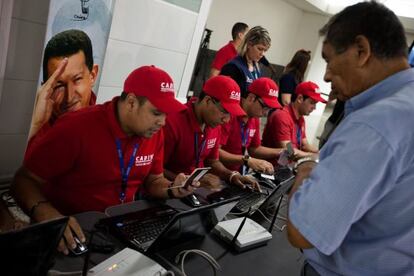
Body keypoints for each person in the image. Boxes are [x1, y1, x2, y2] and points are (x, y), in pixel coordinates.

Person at [11, 66, 196, 255]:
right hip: (70, 234)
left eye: (166, 114)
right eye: (157, 113)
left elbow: (154, 181)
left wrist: (174, 188)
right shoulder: (75, 128)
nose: (163, 122)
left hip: (120, 231)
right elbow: (23, 180)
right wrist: (46, 214)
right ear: (131, 102)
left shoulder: (154, 134)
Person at [287, 2, 414, 275]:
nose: (327, 74)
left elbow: (302, 232)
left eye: (329, 59)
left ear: (361, 51)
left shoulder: (375, 124)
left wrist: (306, 171)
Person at [164, 75, 258, 190]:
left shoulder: (214, 124)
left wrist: (231, 175)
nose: (226, 120)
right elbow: (154, 172)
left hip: (196, 191)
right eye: (224, 111)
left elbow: (213, 161)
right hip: (169, 192)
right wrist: (189, 182)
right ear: (207, 100)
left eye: (231, 114)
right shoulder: (172, 122)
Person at [27, 29, 98, 143]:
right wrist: (34, 126)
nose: (69, 97)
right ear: (45, 88)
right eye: (59, 85)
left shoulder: (107, 130)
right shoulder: (30, 133)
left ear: (93, 75)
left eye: (77, 79)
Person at [219, 77, 283, 175]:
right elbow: (214, 152)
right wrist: (247, 160)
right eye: (265, 107)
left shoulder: (255, 118)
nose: (266, 113)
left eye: (269, 109)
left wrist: (280, 152)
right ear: (251, 98)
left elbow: (254, 149)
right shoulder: (228, 114)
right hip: (219, 175)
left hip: (236, 174)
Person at [262, 81, 326, 158]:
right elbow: (289, 151)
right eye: (312, 103)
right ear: (300, 99)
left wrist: (321, 153)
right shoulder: (282, 116)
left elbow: (305, 145)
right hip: (271, 166)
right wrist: (313, 155)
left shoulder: (300, 118)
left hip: (286, 165)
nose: (314, 108)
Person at [220, 26, 271, 96]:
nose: (262, 54)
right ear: (249, 44)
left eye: (265, 50)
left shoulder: (256, 67)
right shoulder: (233, 67)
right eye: (259, 49)